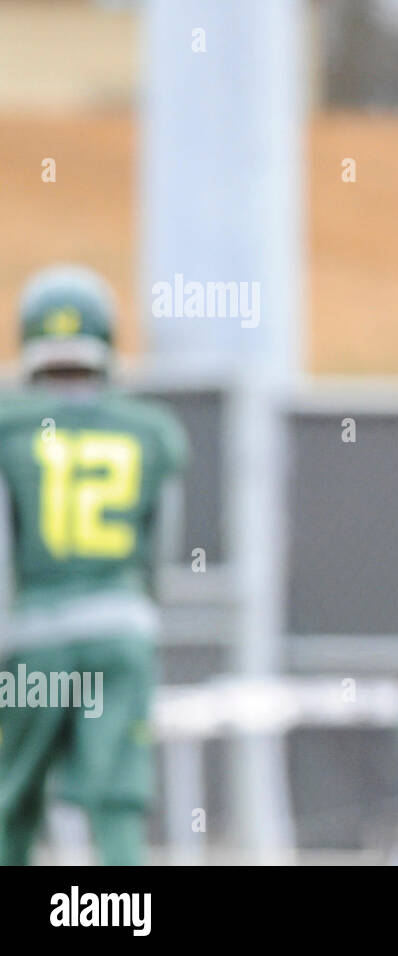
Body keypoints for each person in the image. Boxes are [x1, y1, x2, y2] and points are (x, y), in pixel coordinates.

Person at [0, 265, 189, 865]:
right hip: (118, 628)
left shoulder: (11, 425)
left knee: (12, 797)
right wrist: (144, 613)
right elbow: (162, 547)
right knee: (117, 800)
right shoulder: (148, 430)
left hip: (33, 633)